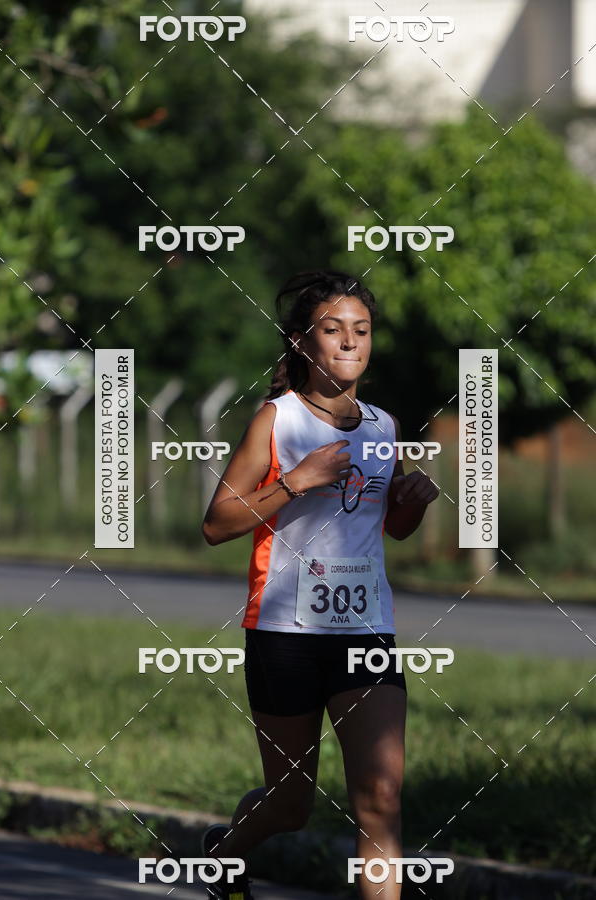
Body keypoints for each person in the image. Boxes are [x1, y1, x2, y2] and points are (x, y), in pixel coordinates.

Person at [201, 270, 439, 900]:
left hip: (365, 632)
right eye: (332, 331)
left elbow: (390, 528)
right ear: (303, 344)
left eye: (360, 331)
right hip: (285, 634)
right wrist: (294, 482)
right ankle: (223, 855)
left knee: (380, 798)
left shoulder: (384, 427)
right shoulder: (274, 421)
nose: (349, 343)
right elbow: (217, 524)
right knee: (290, 806)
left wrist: (413, 504)